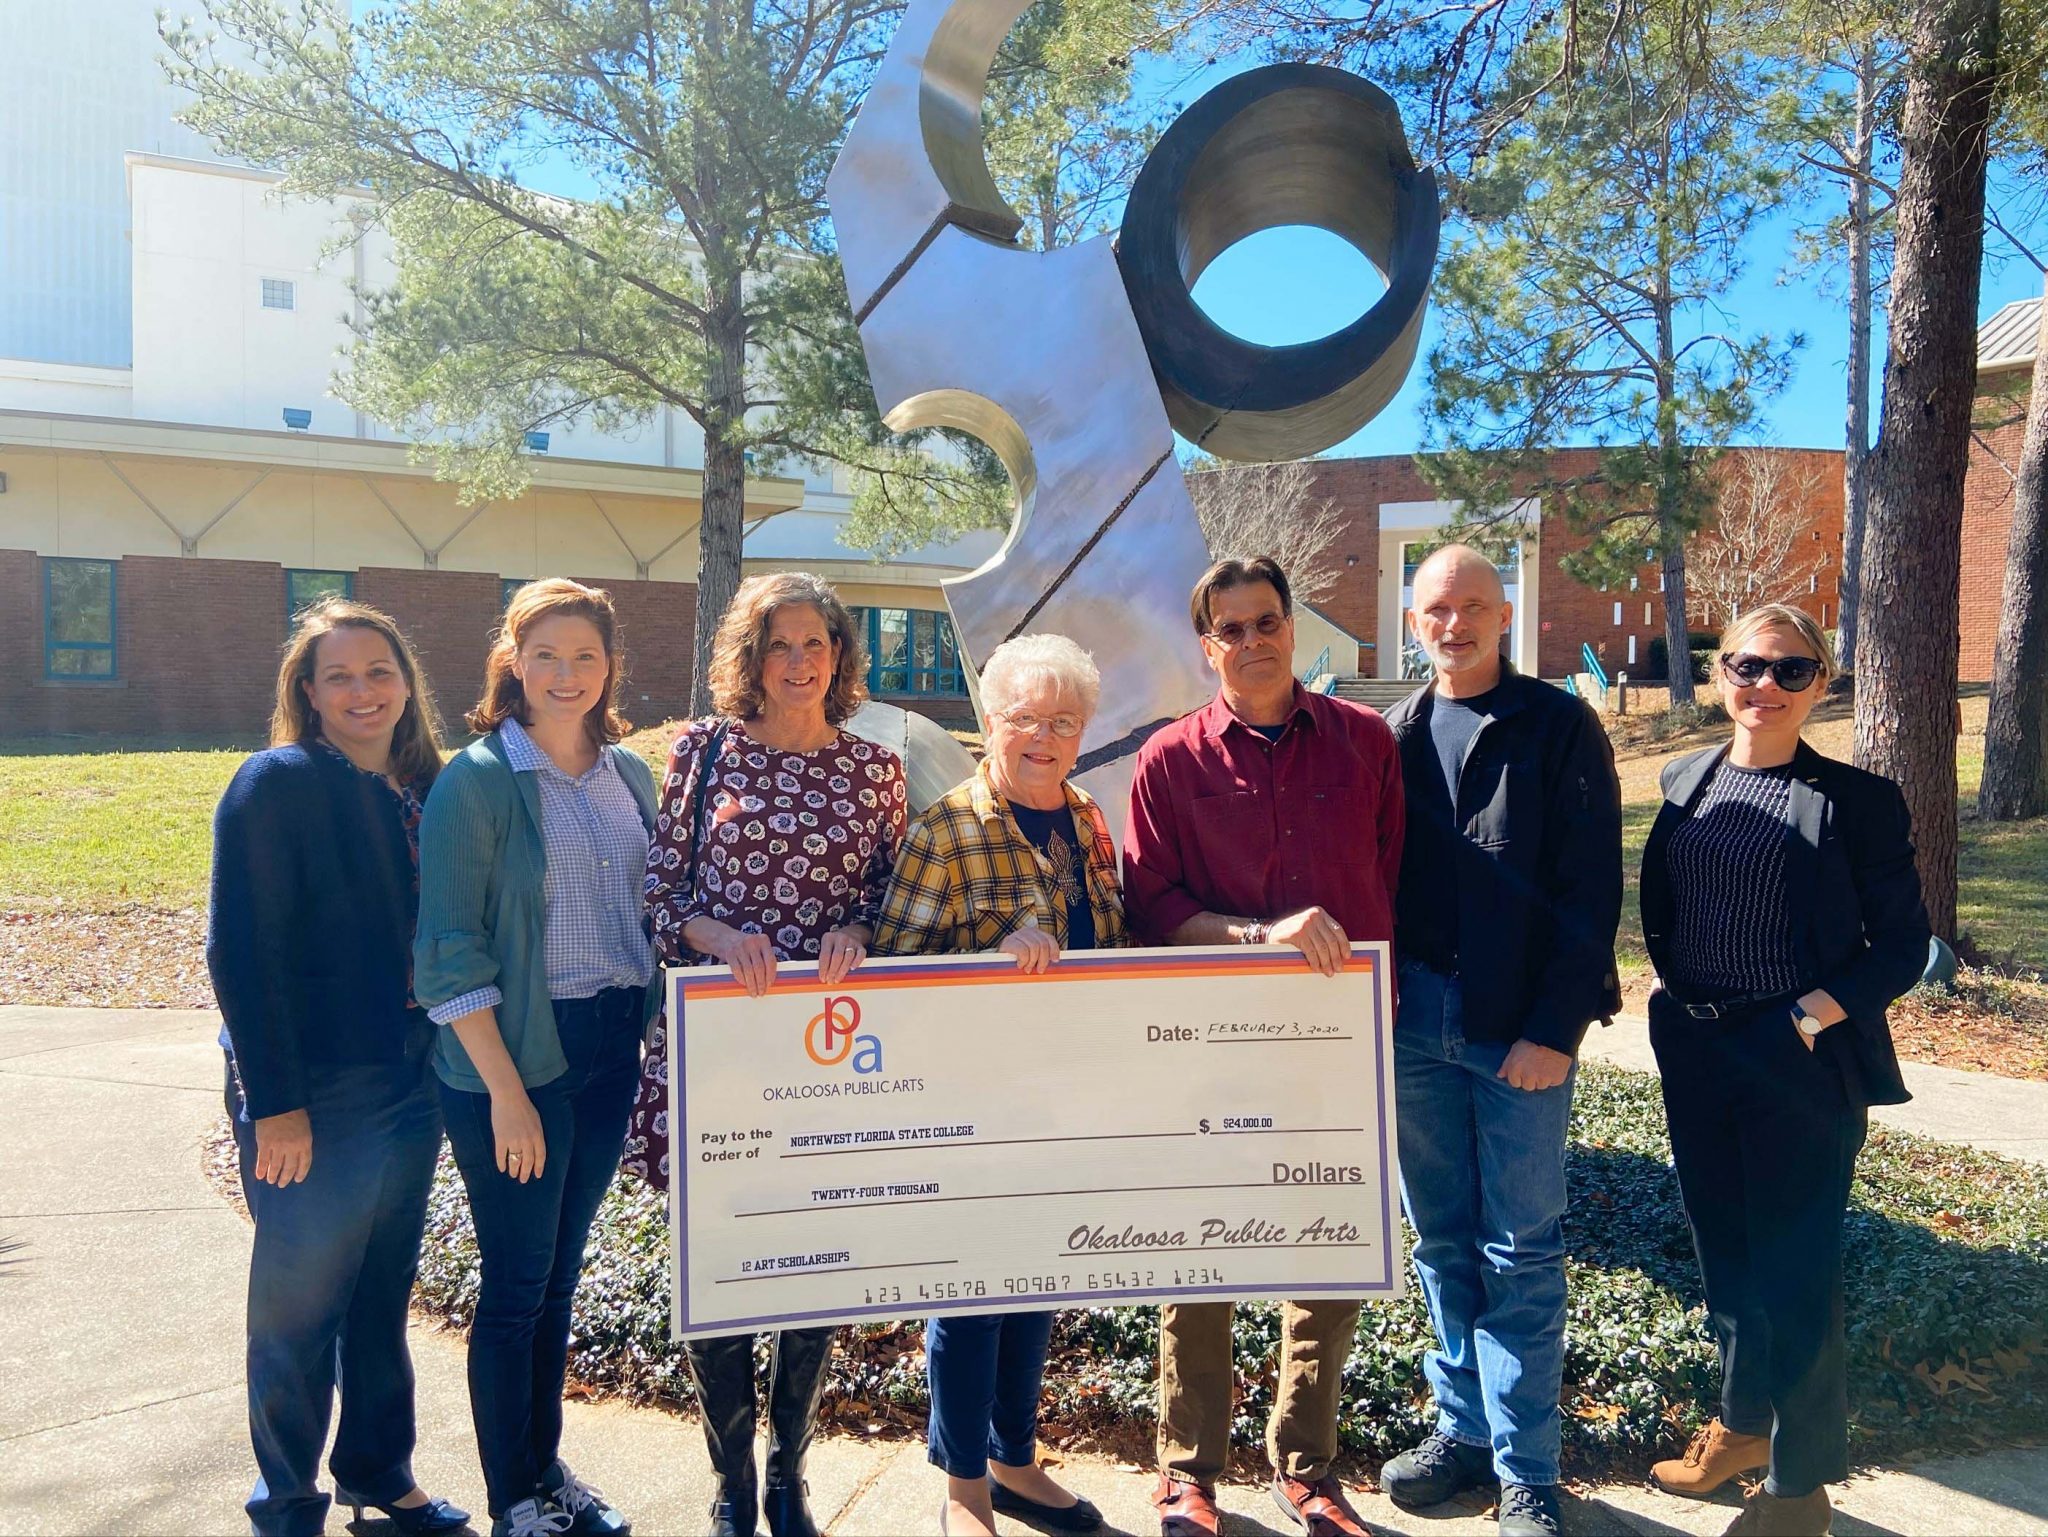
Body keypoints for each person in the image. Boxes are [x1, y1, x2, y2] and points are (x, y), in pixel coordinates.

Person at [1122, 556, 1404, 1537]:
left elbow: (1390, 874)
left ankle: (1307, 1468)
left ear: (1293, 627)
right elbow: (1149, 902)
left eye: (1265, 621)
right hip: (1210, 1045)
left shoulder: (1366, 744)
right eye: (1229, 629)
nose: (1252, 641)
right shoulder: (1169, 761)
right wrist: (1256, 936)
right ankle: (1188, 1471)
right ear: (1206, 647)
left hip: (1336, 1045)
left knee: (1322, 1261)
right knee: (1195, 1257)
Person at [1640, 604, 1929, 1537]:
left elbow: (1903, 944)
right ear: (1722, 674)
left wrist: (1809, 1014)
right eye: (1745, 665)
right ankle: (1741, 1428)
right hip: (1696, 1045)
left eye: (1789, 670)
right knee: (1726, 1256)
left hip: (1795, 1056)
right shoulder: (1685, 778)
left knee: (1795, 1269)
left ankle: (1800, 1489)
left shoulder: (1857, 801)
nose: (1763, 684)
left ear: (1821, 683)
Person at [638, 572, 908, 1537]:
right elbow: (660, 894)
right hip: (716, 1045)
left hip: (826, 1057)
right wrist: (713, 937)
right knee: (717, 1264)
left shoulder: (876, 769)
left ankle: (790, 1470)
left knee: (813, 1261)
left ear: (839, 656)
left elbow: (890, 898)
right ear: (750, 660)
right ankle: (731, 1477)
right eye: (778, 646)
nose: (799, 663)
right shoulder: (706, 751)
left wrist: (859, 937)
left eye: (816, 644)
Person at [1374, 546, 1623, 1537]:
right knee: (1439, 1242)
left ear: (1505, 610)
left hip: (1514, 1030)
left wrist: (1553, 1028)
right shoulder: (1385, 734)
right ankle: (1463, 1427)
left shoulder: (1556, 726)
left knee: (1519, 1248)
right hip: (1407, 1025)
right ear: (1410, 618)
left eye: (1471, 604)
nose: (1452, 621)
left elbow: (1588, 886)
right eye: (1435, 606)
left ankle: (1527, 1471)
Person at [207, 598, 468, 1537]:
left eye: (380, 672)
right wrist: (276, 1103)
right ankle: (286, 1505)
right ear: (309, 694)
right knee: (297, 1308)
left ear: (407, 685)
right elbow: (241, 951)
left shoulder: (426, 789)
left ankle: (377, 1469)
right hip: (315, 1093)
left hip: (412, 1080)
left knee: (379, 1295)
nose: (364, 691)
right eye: (340, 677)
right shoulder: (275, 783)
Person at [416, 579, 657, 1537]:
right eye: (547, 655)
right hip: (513, 1060)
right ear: (514, 661)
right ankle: (513, 1494)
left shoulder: (629, 774)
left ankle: (547, 1469)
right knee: (516, 1282)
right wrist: (507, 1094)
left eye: (585, 656)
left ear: (609, 667)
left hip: (606, 1049)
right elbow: (447, 952)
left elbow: (652, 909)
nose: (567, 675)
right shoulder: (476, 781)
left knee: (558, 1275)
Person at [873, 633, 1126, 1537]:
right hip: (971, 1106)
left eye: (1064, 720)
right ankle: (964, 1488)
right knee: (972, 1298)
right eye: (1025, 717)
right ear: (989, 722)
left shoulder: (1090, 817)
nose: (1045, 736)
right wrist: (987, 960)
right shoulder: (947, 827)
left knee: (1037, 1286)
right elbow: (889, 972)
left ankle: (1016, 1460)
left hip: (1067, 1098)